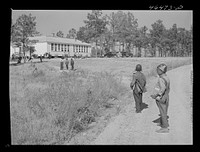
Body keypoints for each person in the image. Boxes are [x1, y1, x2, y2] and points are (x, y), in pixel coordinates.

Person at [151, 63, 170, 133]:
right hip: (166, 96)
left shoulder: (161, 79)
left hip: (161, 97)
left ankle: (165, 128)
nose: (157, 71)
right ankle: (163, 123)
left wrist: (157, 95)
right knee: (164, 111)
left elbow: (162, 88)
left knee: (162, 112)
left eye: (158, 70)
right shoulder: (166, 77)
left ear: (161, 71)